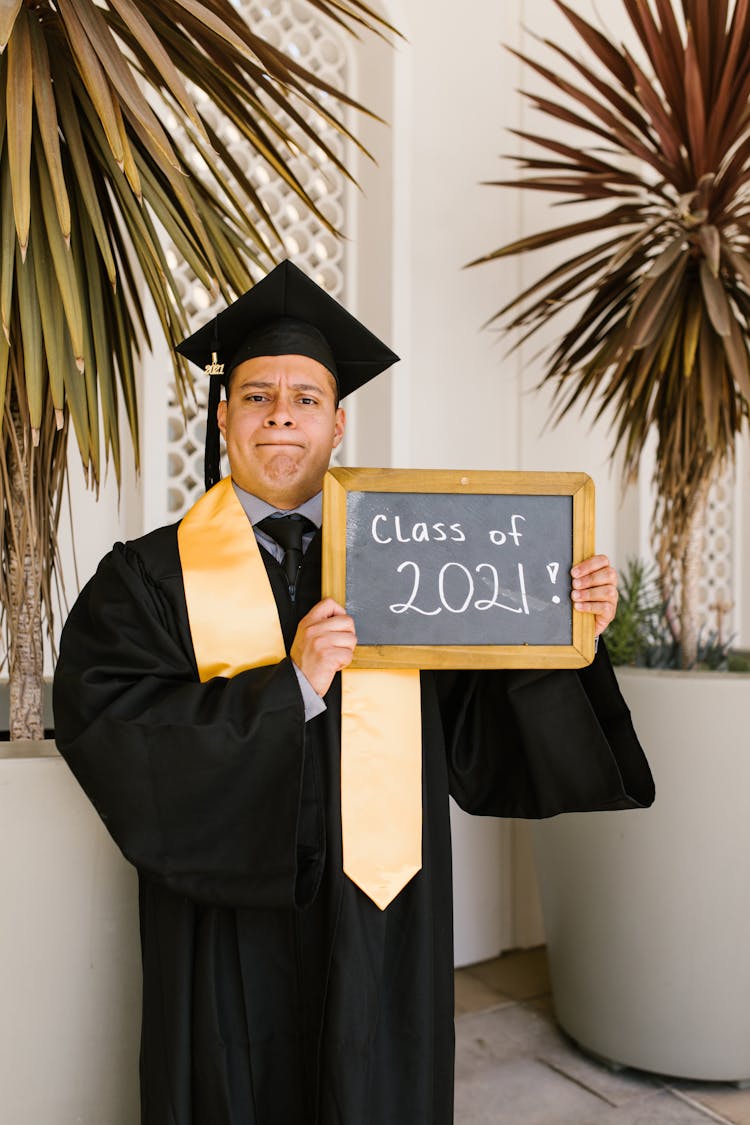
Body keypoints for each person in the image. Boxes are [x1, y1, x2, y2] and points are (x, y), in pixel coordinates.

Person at [53, 260, 654, 1125]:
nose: (282, 416)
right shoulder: (149, 574)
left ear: (338, 423)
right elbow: (110, 721)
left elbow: (474, 723)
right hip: (228, 920)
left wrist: (562, 626)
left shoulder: (411, 554)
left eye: (305, 398)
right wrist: (288, 688)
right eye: (257, 397)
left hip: (383, 907)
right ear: (224, 418)